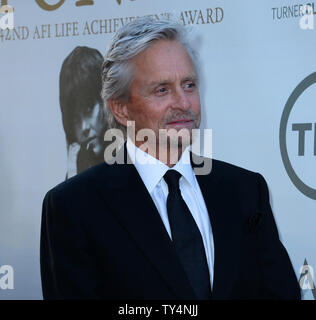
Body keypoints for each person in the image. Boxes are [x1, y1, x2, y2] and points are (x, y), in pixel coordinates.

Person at [40, 17, 301, 300]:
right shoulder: (74, 207)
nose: (184, 103)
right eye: (162, 89)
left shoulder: (245, 191)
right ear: (121, 109)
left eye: (189, 85)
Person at [59, 46, 109, 179]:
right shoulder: (73, 173)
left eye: (88, 110)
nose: (83, 127)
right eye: (75, 119)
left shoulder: (134, 161)